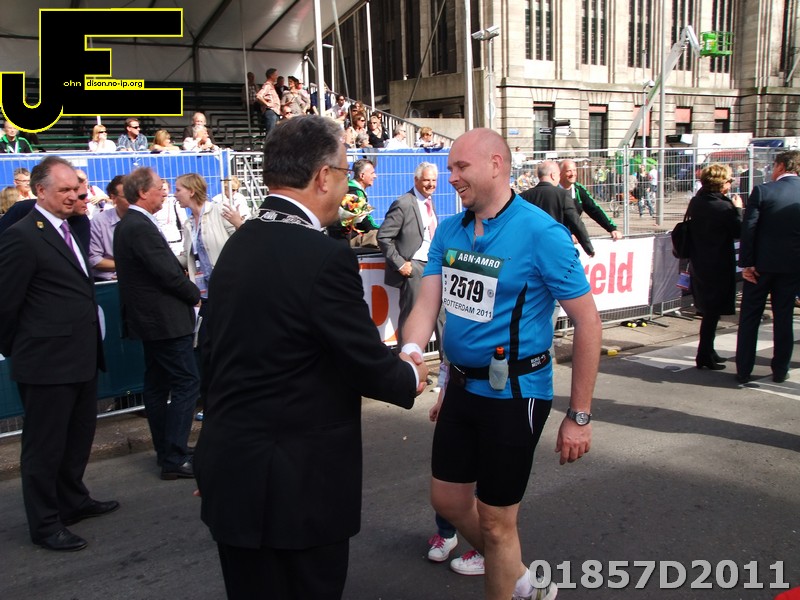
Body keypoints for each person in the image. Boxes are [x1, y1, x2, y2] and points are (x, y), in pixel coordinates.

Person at [193, 115, 427, 600]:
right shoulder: (323, 257)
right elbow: (363, 360)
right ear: (323, 176)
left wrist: (214, 451)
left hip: (232, 474)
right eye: (343, 173)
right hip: (296, 492)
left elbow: (211, 356)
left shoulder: (239, 244)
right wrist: (408, 374)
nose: (346, 188)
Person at [402, 128, 601, 600]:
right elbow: (428, 305)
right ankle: (521, 579)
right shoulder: (450, 230)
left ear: (496, 164)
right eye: (449, 168)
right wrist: (411, 352)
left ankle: (507, 580)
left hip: (515, 393)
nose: (451, 177)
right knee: (448, 500)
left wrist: (579, 415)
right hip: (461, 387)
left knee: (495, 522)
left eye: (460, 167)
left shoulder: (541, 233)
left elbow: (588, 324)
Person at [0, 156, 118, 552]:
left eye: (77, 189)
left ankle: (73, 500)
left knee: (77, 438)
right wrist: (24, 350)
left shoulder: (72, 228)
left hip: (81, 357)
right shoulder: (22, 236)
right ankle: (46, 523)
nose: (74, 196)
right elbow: (6, 306)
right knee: (45, 448)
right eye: (65, 190)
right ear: (40, 191)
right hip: (46, 363)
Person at [113, 167, 202, 480]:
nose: (164, 192)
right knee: (186, 382)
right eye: (159, 187)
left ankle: (168, 450)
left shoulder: (133, 223)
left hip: (154, 322)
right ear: (142, 192)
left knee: (157, 385)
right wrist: (195, 294)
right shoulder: (138, 226)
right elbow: (165, 272)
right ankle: (173, 456)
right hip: (164, 322)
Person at [736, 150, 800, 384]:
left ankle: (744, 369)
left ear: (781, 166)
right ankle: (780, 369)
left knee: (750, 317)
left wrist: (747, 263)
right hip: (791, 265)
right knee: (784, 317)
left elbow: (749, 228)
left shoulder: (763, 191)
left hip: (761, 265)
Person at [377, 162, 443, 344]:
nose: (431, 184)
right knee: (412, 319)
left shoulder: (429, 201)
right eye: (426, 180)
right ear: (416, 180)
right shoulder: (404, 203)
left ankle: (447, 360)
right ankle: (407, 359)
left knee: (441, 316)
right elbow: (383, 237)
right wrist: (400, 264)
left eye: (434, 180)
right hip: (415, 268)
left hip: (434, 266)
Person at [686, 164, 743, 370]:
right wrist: (738, 209)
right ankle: (704, 354)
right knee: (712, 311)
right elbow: (738, 231)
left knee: (710, 310)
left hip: (700, 260)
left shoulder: (698, 201)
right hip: (717, 262)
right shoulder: (723, 207)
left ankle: (708, 350)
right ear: (721, 183)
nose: (731, 183)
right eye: (729, 180)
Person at [521, 160, 595, 257]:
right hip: (557, 249)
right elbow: (576, 222)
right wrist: (588, 248)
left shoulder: (524, 196)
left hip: (532, 251)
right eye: (559, 175)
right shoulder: (563, 195)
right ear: (553, 175)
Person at [559, 159, 622, 240]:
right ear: (560, 173)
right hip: (558, 237)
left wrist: (612, 229)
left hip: (574, 237)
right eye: (568, 171)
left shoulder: (578, 189)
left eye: (574, 170)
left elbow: (594, 209)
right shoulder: (552, 191)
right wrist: (566, 235)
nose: (573, 174)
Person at [326, 158, 379, 242]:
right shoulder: (355, 192)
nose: (375, 176)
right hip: (346, 237)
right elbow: (364, 221)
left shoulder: (349, 188)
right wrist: (381, 231)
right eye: (372, 173)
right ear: (362, 176)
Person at [88, 175, 128, 281]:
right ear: (113, 198)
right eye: (127, 196)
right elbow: (94, 260)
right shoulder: (99, 222)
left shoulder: (146, 219)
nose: (133, 200)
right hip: (109, 281)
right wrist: (128, 267)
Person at [154, 180, 187, 259]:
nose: (163, 192)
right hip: (159, 245)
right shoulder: (153, 205)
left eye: (165, 189)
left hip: (176, 245)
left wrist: (184, 244)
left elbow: (185, 224)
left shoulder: (175, 203)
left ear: (169, 190)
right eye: (160, 189)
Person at [256, 68, 281, 134]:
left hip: (275, 112)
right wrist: (267, 104)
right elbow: (259, 96)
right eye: (275, 75)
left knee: (275, 133)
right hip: (271, 112)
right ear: (271, 75)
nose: (277, 77)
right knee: (271, 132)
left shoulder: (271, 86)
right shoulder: (267, 85)